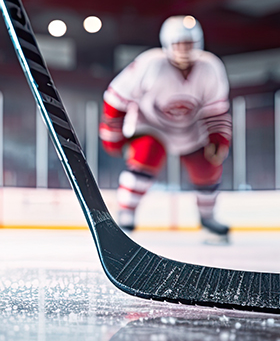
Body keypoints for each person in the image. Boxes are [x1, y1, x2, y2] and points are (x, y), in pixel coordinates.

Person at [99, 15, 231, 239]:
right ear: (167, 44)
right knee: (144, 158)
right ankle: (126, 213)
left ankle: (208, 217)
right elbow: (116, 97)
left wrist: (218, 137)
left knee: (207, 167)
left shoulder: (211, 66)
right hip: (151, 124)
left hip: (191, 128)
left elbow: (215, 109)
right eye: (179, 43)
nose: (184, 49)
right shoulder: (150, 63)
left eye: (188, 43)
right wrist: (112, 135)